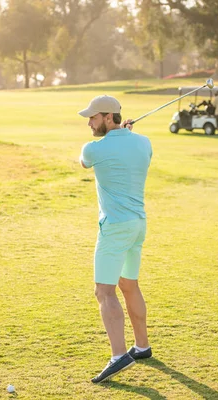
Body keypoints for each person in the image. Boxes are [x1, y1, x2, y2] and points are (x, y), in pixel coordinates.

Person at [78, 95, 153, 384]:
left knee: (104, 292)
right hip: (138, 224)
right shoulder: (144, 142)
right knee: (128, 284)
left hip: (115, 228)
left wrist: (120, 136)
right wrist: (127, 135)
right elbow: (132, 153)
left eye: (93, 118)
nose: (89, 123)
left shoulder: (94, 149)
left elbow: (84, 163)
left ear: (109, 117)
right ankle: (142, 347)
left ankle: (119, 355)